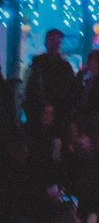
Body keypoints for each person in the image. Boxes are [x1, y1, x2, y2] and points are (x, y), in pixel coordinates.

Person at [22, 29, 78, 162]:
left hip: (53, 113)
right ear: (47, 42)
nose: (57, 43)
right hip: (47, 113)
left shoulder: (56, 66)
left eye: (58, 40)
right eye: (54, 40)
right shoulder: (43, 65)